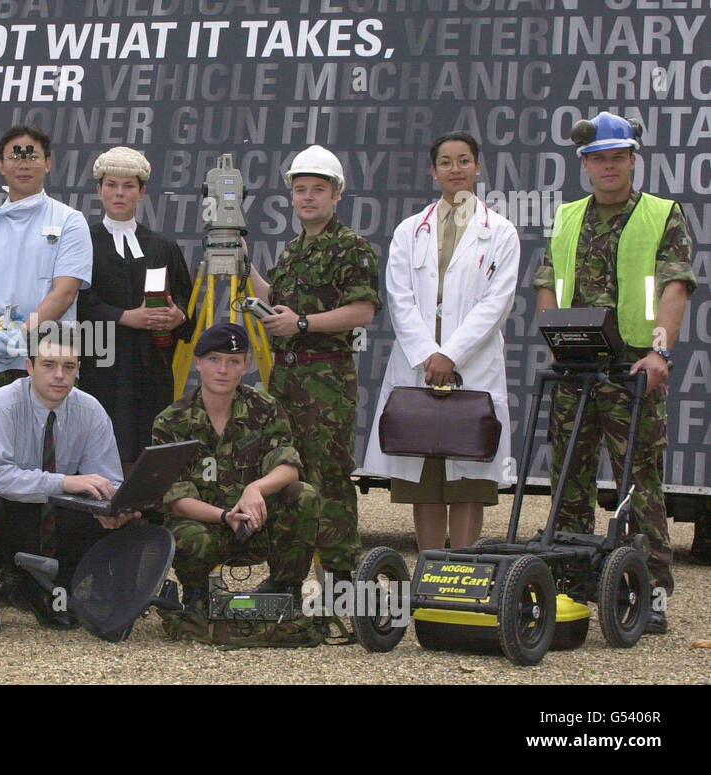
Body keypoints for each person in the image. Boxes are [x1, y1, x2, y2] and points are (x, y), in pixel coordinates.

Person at [534, 111, 697, 635]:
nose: (609, 166)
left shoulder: (661, 214)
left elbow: (676, 285)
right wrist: (555, 338)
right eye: (599, 159)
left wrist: (660, 353)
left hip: (632, 364)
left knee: (640, 482)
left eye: (618, 157)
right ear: (585, 165)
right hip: (576, 365)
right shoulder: (568, 217)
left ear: (632, 160)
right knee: (568, 480)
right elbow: (547, 280)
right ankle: (570, 587)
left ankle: (648, 592)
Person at [362, 131, 520, 551]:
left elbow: (496, 303)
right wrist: (428, 353)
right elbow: (399, 297)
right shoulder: (409, 230)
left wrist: (450, 354)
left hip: (473, 366)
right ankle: (431, 569)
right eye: (446, 162)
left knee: (469, 476)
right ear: (434, 171)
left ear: (478, 167)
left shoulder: (501, 232)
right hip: (419, 365)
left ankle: (463, 569)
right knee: (426, 477)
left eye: (464, 160)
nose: (456, 169)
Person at [0, 125, 93, 601]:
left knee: (46, 464)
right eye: (13, 155)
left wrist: (26, 333)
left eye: (31, 154)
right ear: (0, 165)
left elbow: (66, 288)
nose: (22, 162)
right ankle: (1, 571)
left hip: (46, 361)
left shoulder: (71, 221)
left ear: (48, 162)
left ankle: (41, 571)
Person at [0, 329, 132, 633]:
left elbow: (107, 478)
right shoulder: (1, 404)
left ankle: (43, 588)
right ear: (29, 366)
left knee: (101, 517)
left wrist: (113, 505)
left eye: (68, 367)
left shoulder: (91, 410)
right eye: (48, 365)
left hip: (45, 518)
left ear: (78, 368)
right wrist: (62, 482)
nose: (59, 375)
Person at [249, 144, 378, 582]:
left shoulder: (351, 248)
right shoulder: (291, 251)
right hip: (285, 378)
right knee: (285, 473)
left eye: (317, 190)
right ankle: (288, 574)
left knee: (330, 478)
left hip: (325, 381)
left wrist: (301, 324)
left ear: (336, 194)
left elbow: (363, 311)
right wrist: (244, 266)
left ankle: (342, 579)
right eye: (300, 190)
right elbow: (278, 303)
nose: (307, 198)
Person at [150, 322, 320, 611]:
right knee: (184, 534)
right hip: (209, 526)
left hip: (258, 525)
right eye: (214, 360)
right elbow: (177, 501)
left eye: (233, 362)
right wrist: (225, 515)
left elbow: (289, 466)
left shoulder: (264, 407)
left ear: (246, 365)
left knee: (302, 494)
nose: (223, 370)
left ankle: (285, 587)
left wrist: (256, 488)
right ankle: (196, 593)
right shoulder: (171, 421)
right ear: (198, 363)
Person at [76, 146, 192, 469]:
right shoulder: (82, 240)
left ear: (142, 192)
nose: (119, 193)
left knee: (150, 442)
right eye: (111, 185)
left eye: (128, 186)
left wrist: (176, 314)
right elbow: (76, 300)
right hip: (99, 363)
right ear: (99, 190)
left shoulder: (163, 246)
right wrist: (128, 317)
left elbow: (186, 299)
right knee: (101, 442)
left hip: (152, 366)